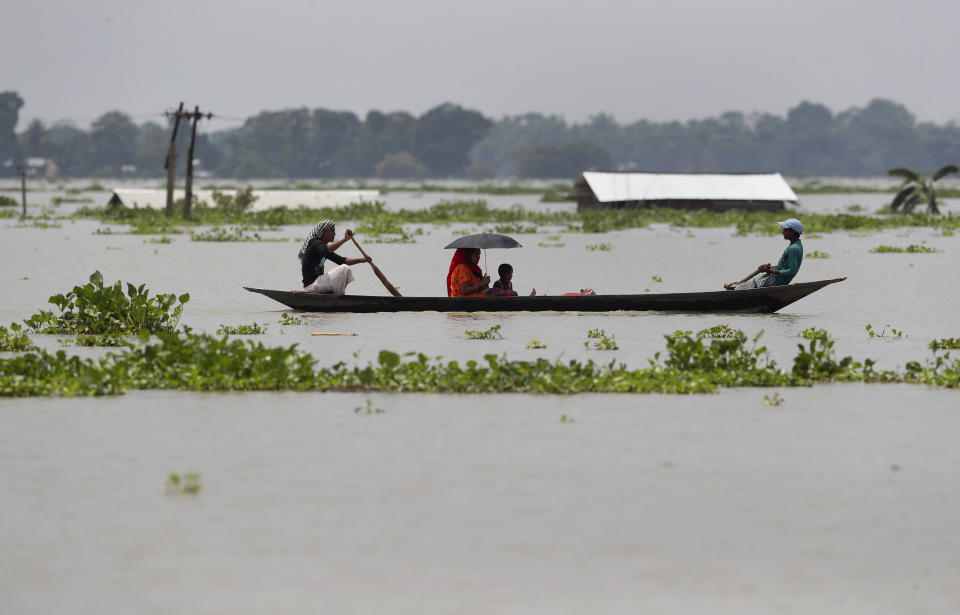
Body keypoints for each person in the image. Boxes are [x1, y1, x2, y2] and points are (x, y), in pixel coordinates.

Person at [725, 218, 804, 290]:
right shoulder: (795, 246)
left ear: (793, 231)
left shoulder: (794, 249)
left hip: (778, 280)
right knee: (745, 284)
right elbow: (782, 267)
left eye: (785, 230)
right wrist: (769, 268)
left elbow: (791, 272)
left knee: (740, 288)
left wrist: (772, 271)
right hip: (776, 277)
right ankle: (736, 287)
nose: (782, 232)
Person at [297, 219, 370, 294]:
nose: (334, 234)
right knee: (344, 268)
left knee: (346, 271)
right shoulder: (315, 243)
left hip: (318, 284)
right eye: (332, 231)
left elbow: (342, 260)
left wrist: (362, 260)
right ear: (324, 232)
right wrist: (344, 239)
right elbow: (326, 250)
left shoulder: (323, 249)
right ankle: (338, 298)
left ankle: (336, 296)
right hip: (312, 285)